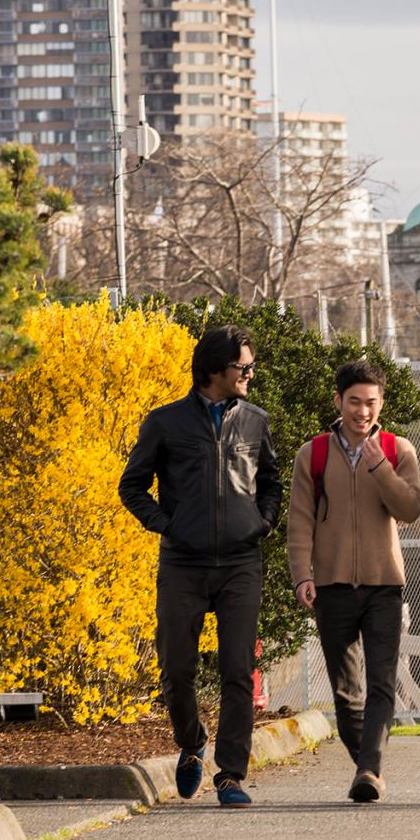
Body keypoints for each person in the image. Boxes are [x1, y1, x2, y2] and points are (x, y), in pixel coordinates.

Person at [119, 325, 282, 808]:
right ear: (214, 369)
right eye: (243, 367)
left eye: (251, 366)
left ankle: (230, 776)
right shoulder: (164, 423)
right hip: (183, 564)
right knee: (176, 669)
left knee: (237, 670)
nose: (250, 374)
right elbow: (132, 486)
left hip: (240, 563)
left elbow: (270, 483)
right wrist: (167, 526)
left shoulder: (256, 421)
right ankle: (192, 743)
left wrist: (263, 522)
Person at [288, 360, 420, 802]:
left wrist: (380, 467)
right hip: (330, 586)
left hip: (384, 584)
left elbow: (410, 508)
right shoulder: (313, 454)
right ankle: (367, 765)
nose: (362, 411)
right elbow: (300, 521)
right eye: (354, 402)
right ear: (338, 402)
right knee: (346, 691)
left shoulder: (397, 448)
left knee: (382, 682)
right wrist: (302, 576)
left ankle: (369, 770)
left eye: (370, 402)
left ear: (380, 403)